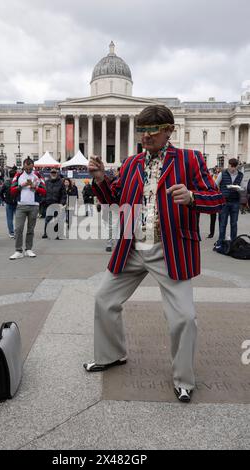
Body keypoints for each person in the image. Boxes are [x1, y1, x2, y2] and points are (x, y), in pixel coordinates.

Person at [84, 104, 224, 403]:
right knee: (104, 299)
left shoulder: (190, 159)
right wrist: (100, 180)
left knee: (183, 318)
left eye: (151, 131)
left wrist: (192, 198)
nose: (145, 137)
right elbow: (116, 199)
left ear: (169, 130)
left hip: (169, 249)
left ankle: (183, 380)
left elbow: (216, 199)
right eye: (141, 131)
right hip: (132, 247)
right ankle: (112, 355)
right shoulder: (131, 162)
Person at [9, 157, 46, 260]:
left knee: (31, 229)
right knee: (18, 229)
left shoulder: (38, 175)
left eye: (30, 169)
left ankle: (28, 249)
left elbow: (44, 191)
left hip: (34, 205)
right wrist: (22, 185)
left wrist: (36, 188)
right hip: (21, 205)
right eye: (26, 169)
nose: (28, 171)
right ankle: (18, 250)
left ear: (33, 166)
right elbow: (12, 191)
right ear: (23, 166)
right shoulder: (18, 175)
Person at [215, 158, 244, 250]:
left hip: (235, 202)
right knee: (223, 223)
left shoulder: (240, 175)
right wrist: (219, 194)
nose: (232, 168)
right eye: (231, 166)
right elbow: (215, 185)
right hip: (224, 202)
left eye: (234, 167)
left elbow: (243, 188)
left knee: (234, 223)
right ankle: (220, 241)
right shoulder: (222, 173)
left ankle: (233, 242)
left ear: (236, 166)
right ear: (229, 165)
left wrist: (238, 188)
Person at [42, 168, 67, 239]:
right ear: (50, 174)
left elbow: (63, 194)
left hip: (57, 203)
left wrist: (62, 203)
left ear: (57, 173)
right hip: (48, 203)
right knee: (48, 219)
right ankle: (46, 233)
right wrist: (44, 200)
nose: (53, 174)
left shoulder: (61, 183)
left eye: (54, 173)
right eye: (52, 173)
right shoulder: (46, 182)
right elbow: (44, 193)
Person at [0, 169, 18, 238]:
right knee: (18, 218)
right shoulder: (17, 182)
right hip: (16, 202)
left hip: (9, 202)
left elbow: (0, 192)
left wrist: (4, 199)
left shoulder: (6, 183)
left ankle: (11, 232)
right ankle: (17, 232)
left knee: (9, 219)